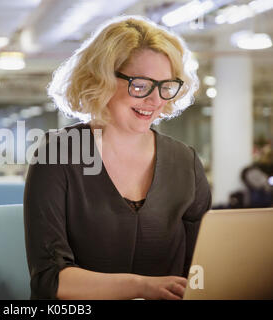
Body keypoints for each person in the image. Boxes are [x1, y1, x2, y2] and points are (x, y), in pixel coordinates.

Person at [24, 16, 212, 300]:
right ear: (102, 80)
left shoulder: (184, 161)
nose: (156, 100)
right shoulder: (58, 154)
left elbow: (202, 266)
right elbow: (50, 280)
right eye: (141, 85)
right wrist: (142, 287)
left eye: (166, 86)